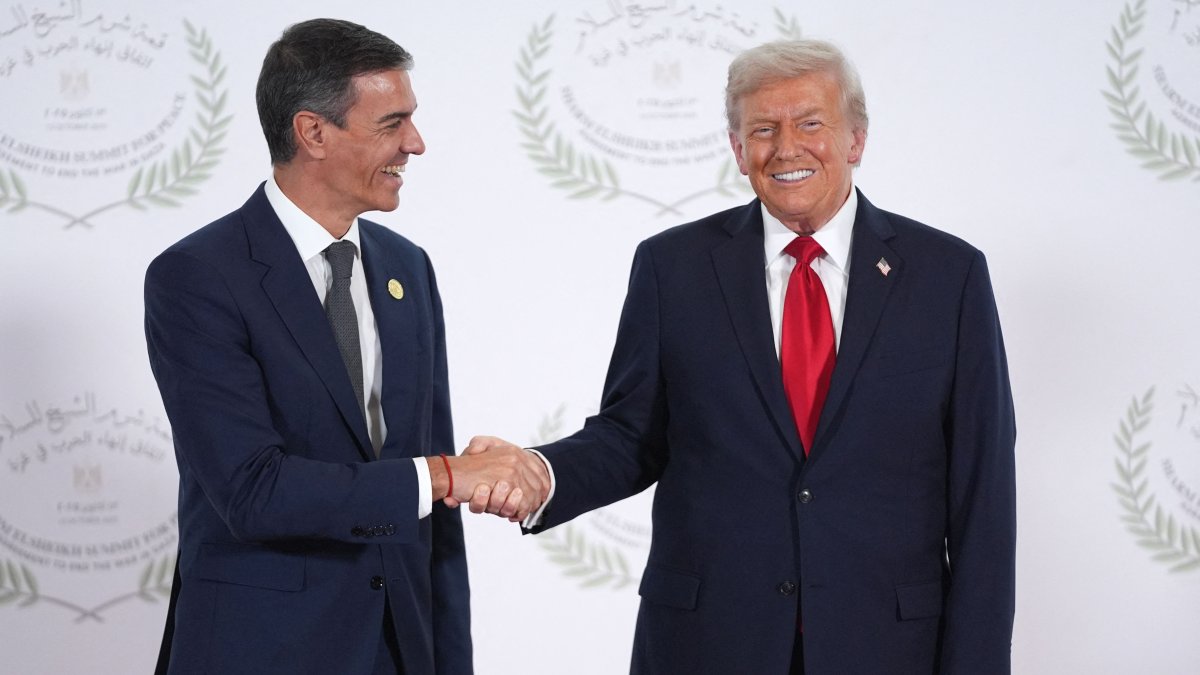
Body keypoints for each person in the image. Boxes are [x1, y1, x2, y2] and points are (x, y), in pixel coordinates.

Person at [464, 39, 1016, 674]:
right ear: (736, 149)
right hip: (709, 643)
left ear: (856, 139)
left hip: (888, 647)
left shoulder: (949, 276)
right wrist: (540, 472)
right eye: (763, 129)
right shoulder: (673, 267)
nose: (786, 147)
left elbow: (983, 494)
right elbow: (631, 436)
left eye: (811, 123)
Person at [144, 19, 548, 675]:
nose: (415, 143)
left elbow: (434, 512)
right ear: (314, 133)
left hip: (401, 648)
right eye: (392, 122)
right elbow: (253, 490)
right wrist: (447, 473)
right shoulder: (198, 276)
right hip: (260, 651)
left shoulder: (407, 268)